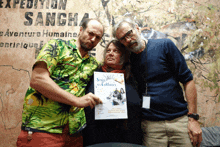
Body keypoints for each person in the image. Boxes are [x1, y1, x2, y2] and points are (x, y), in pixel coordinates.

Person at [113, 18, 202, 147]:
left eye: (129, 33)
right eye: (122, 39)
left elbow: (188, 80)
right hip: (151, 126)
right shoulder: (129, 60)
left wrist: (193, 118)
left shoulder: (165, 45)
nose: (128, 40)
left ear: (137, 28)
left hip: (179, 121)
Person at [16, 18, 104, 147]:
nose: (93, 39)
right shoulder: (57, 46)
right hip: (43, 129)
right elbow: (38, 80)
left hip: (75, 133)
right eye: (91, 33)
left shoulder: (93, 64)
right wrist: (77, 101)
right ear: (81, 30)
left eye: (98, 37)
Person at [82, 39, 142, 146]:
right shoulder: (95, 74)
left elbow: (137, 103)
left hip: (126, 136)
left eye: (116, 51)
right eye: (108, 50)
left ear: (123, 55)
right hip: (98, 135)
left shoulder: (131, 76)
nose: (110, 53)